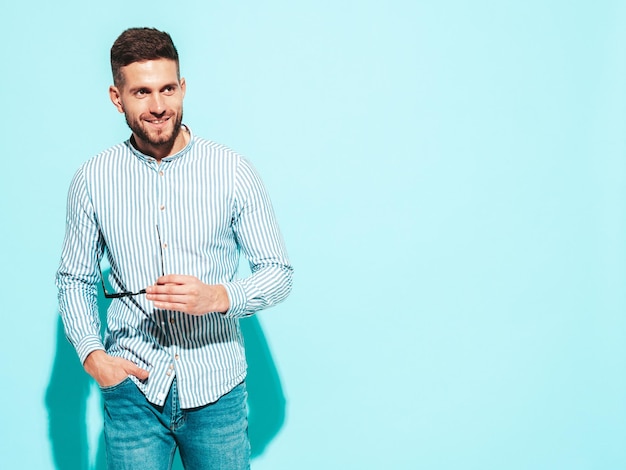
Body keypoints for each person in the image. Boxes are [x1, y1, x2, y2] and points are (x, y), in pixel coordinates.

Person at [55, 27, 293, 470]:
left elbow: (279, 272)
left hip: (217, 390)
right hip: (133, 395)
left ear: (182, 87)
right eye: (142, 92)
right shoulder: (92, 180)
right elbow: (75, 278)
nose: (159, 105)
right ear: (116, 97)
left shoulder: (233, 171)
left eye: (168, 88)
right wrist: (94, 357)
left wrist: (220, 296)